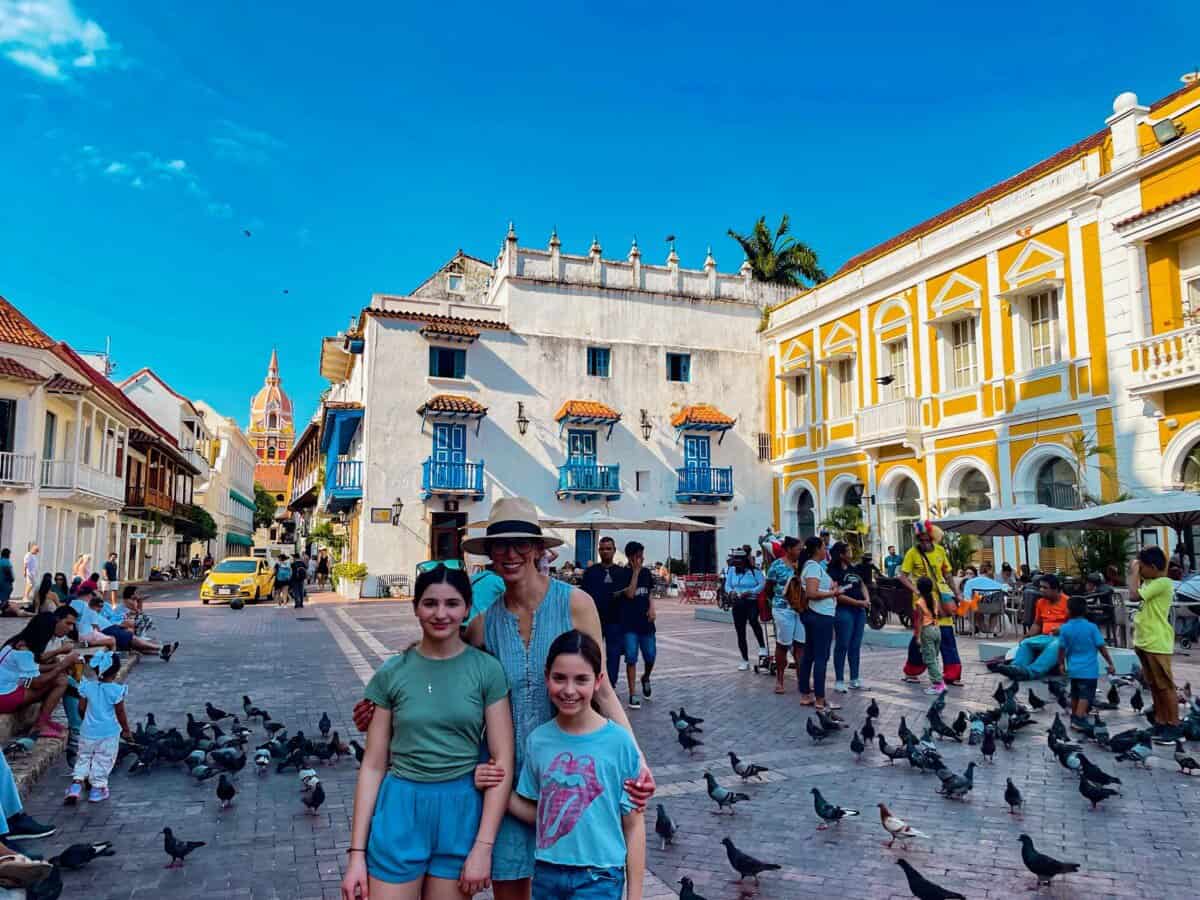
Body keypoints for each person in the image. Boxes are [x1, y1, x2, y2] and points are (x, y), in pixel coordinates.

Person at [351, 497, 655, 900]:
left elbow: (599, 687)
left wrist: (637, 757)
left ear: (538, 549)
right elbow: (443, 660)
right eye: (500, 545)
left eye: (520, 544)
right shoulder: (484, 623)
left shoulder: (576, 604)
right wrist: (383, 708)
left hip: (567, 771)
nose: (510, 554)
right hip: (506, 783)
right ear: (490, 553)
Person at [341, 565, 514, 900]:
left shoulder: (487, 671)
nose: (440, 613)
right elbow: (374, 765)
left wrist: (483, 846)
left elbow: (502, 760)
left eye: (452, 604)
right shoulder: (392, 673)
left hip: (460, 811)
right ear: (416, 607)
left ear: (467, 608)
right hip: (400, 809)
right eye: (430, 603)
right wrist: (356, 855)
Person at [509, 631, 644, 900]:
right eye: (560, 678)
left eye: (581, 679)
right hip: (547, 873)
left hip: (600, 877)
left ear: (598, 681)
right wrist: (497, 789)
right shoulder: (538, 741)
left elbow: (634, 824)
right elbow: (540, 811)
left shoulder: (619, 742)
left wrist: (635, 894)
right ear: (547, 677)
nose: (569, 690)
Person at [897, 523, 964, 686]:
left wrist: (956, 593)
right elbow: (902, 576)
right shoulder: (912, 553)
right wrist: (916, 590)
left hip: (942, 599)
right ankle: (912, 671)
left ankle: (952, 674)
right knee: (921, 637)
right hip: (923, 601)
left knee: (947, 635)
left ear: (932, 538)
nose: (925, 542)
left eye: (928, 539)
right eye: (922, 539)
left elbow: (947, 574)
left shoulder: (940, 551)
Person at [1128, 546, 1181, 743]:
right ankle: (1160, 721)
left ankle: (1173, 725)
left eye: (1142, 567)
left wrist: (1134, 571)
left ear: (1152, 566)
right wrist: (1136, 569)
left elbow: (1133, 595)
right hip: (1144, 640)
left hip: (1157, 641)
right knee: (1154, 685)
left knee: (1165, 686)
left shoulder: (1163, 582)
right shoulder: (1150, 581)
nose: (1139, 571)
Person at [64, 650, 130, 805]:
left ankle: (76, 785)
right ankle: (97, 789)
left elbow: (81, 708)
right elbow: (120, 712)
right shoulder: (116, 690)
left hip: (87, 731)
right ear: (116, 671)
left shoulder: (87, 687)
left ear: (96, 669)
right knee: (103, 759)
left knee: (83, 757)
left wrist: (85, 719)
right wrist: (126, 730)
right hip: (108, 733)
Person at [0, 612, 78, 738]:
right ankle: (41, 725)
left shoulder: (16, 642)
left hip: (6, 691)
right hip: (4, 697)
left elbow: (34, 667)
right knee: (61, 680)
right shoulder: (24, 651)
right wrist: (62, 665)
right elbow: (37, 683)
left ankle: (47, 722)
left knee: (59, 676)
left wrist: (59, 665)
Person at [994, 574, 1071, 681]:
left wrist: (1062, 630)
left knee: (1056, 644)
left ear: (1056, 589)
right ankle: (1016, 668)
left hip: (1064, 638)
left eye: (1045, 588)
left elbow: (1075, 625)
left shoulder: (1068, 602)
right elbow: (1037, 624)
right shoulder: (1041, 602)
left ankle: (1031, 672)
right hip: (1046, 637)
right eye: (1041, 587)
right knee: (1026, 643)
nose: (1041, 590)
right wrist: (1028, 635)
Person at [1056, 595, 1116, 730]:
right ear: (1085, 610)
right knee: (1086, 694)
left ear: (1068, 611)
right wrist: (1110, 663)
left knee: (1075, 692)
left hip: (1073, 668)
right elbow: (1101, 647)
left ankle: (1075, 715)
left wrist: (1060, 663)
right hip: (1089, 670)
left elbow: (1061, 649)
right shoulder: (1092, 627)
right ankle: (1079, 718)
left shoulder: (1064, 628)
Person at [797, 536, 841, 710]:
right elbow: (811, 593)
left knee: (809, 655)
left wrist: (830, 589)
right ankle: (820, 698)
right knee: (820, 657)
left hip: (815, 615)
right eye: (824, 547)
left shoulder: (813, 567)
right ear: (816, 550)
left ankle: (806, 694)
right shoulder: (813, 567)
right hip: (820, 615)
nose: (826, 550)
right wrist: (833, 593)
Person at [616, 541, 656, 709]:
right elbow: (631, 594)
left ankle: (646, 677)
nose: (642, 558)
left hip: (646, 623)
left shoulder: (647, 573)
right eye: (638, 556)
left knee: (651, 655)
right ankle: (633, 693)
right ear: (631, 557)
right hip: (629, 623)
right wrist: (635, 572)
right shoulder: (623, 574)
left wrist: (652, 608)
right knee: (631, 657)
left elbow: (649, 592)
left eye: (642, 555)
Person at [580, 537, 624, 688]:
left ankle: (610, 685)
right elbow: (583, 595)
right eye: (602, 549)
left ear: (614, 550)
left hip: (615, 620)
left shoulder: (621, 573)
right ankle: (592, 683)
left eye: (608, 548)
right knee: (591, 653)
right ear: (598, 551)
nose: (605, 551)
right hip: (593, 619)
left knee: (614, 654)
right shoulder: (591, 572)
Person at [828, 542, 869, 692]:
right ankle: (839, 680)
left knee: (855, 645)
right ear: (841, 554)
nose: (851, 552)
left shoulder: (854, 569)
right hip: (844, 610)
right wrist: (858, 602)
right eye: (849, 550)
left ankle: (854, 678)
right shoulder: (832, 571)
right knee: (842, 644)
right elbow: (837, 594)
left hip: (859, 611)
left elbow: (862, 584)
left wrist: (866, 600)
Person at [765, 536, 803, 695]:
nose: (800, 551)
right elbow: (769, 587)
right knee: (783, 643)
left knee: (801, 645)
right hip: (783, 609)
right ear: (788, 549)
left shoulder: (803, 565)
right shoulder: (777, 565)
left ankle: (803, 680)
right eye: (798, 548)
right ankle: (780, 680)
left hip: (800, 609)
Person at [724, 550, 766, 671]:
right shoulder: (731, 570)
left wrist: (751, 591)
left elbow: (762, 584)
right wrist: (731, 592)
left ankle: (762, 646)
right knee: (740, 631)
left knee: (753, 620)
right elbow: (727, 585)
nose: (737, 564)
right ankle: (744, 660)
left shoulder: (755, 571)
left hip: (751, 600)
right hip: (738, 601)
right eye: (735, 561)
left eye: (739, 561)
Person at [912, 577, 944, 695]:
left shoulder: (920, 602)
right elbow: (939, 614)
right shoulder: (934, 599)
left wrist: (918, 636)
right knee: (934, 658)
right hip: (936, 629)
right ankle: (939, 681)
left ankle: (938, 684)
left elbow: (920, 621)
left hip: (927, 631)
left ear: (919, 589)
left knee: (930, 660)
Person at [469, 564, 508, 628]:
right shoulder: (496, 580)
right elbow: (514, 594)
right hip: (480, 624)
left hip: (466, 622)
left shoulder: (474, 578)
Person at [0, 549, 15, 617]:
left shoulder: (0, 561)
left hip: (1, 581)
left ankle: (4, 609)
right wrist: (11, 579)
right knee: (5, 598)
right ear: (8, 554)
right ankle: (3, 610)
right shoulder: (6, 561)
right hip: (5, 582)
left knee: (2, 597)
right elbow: (7, 571)